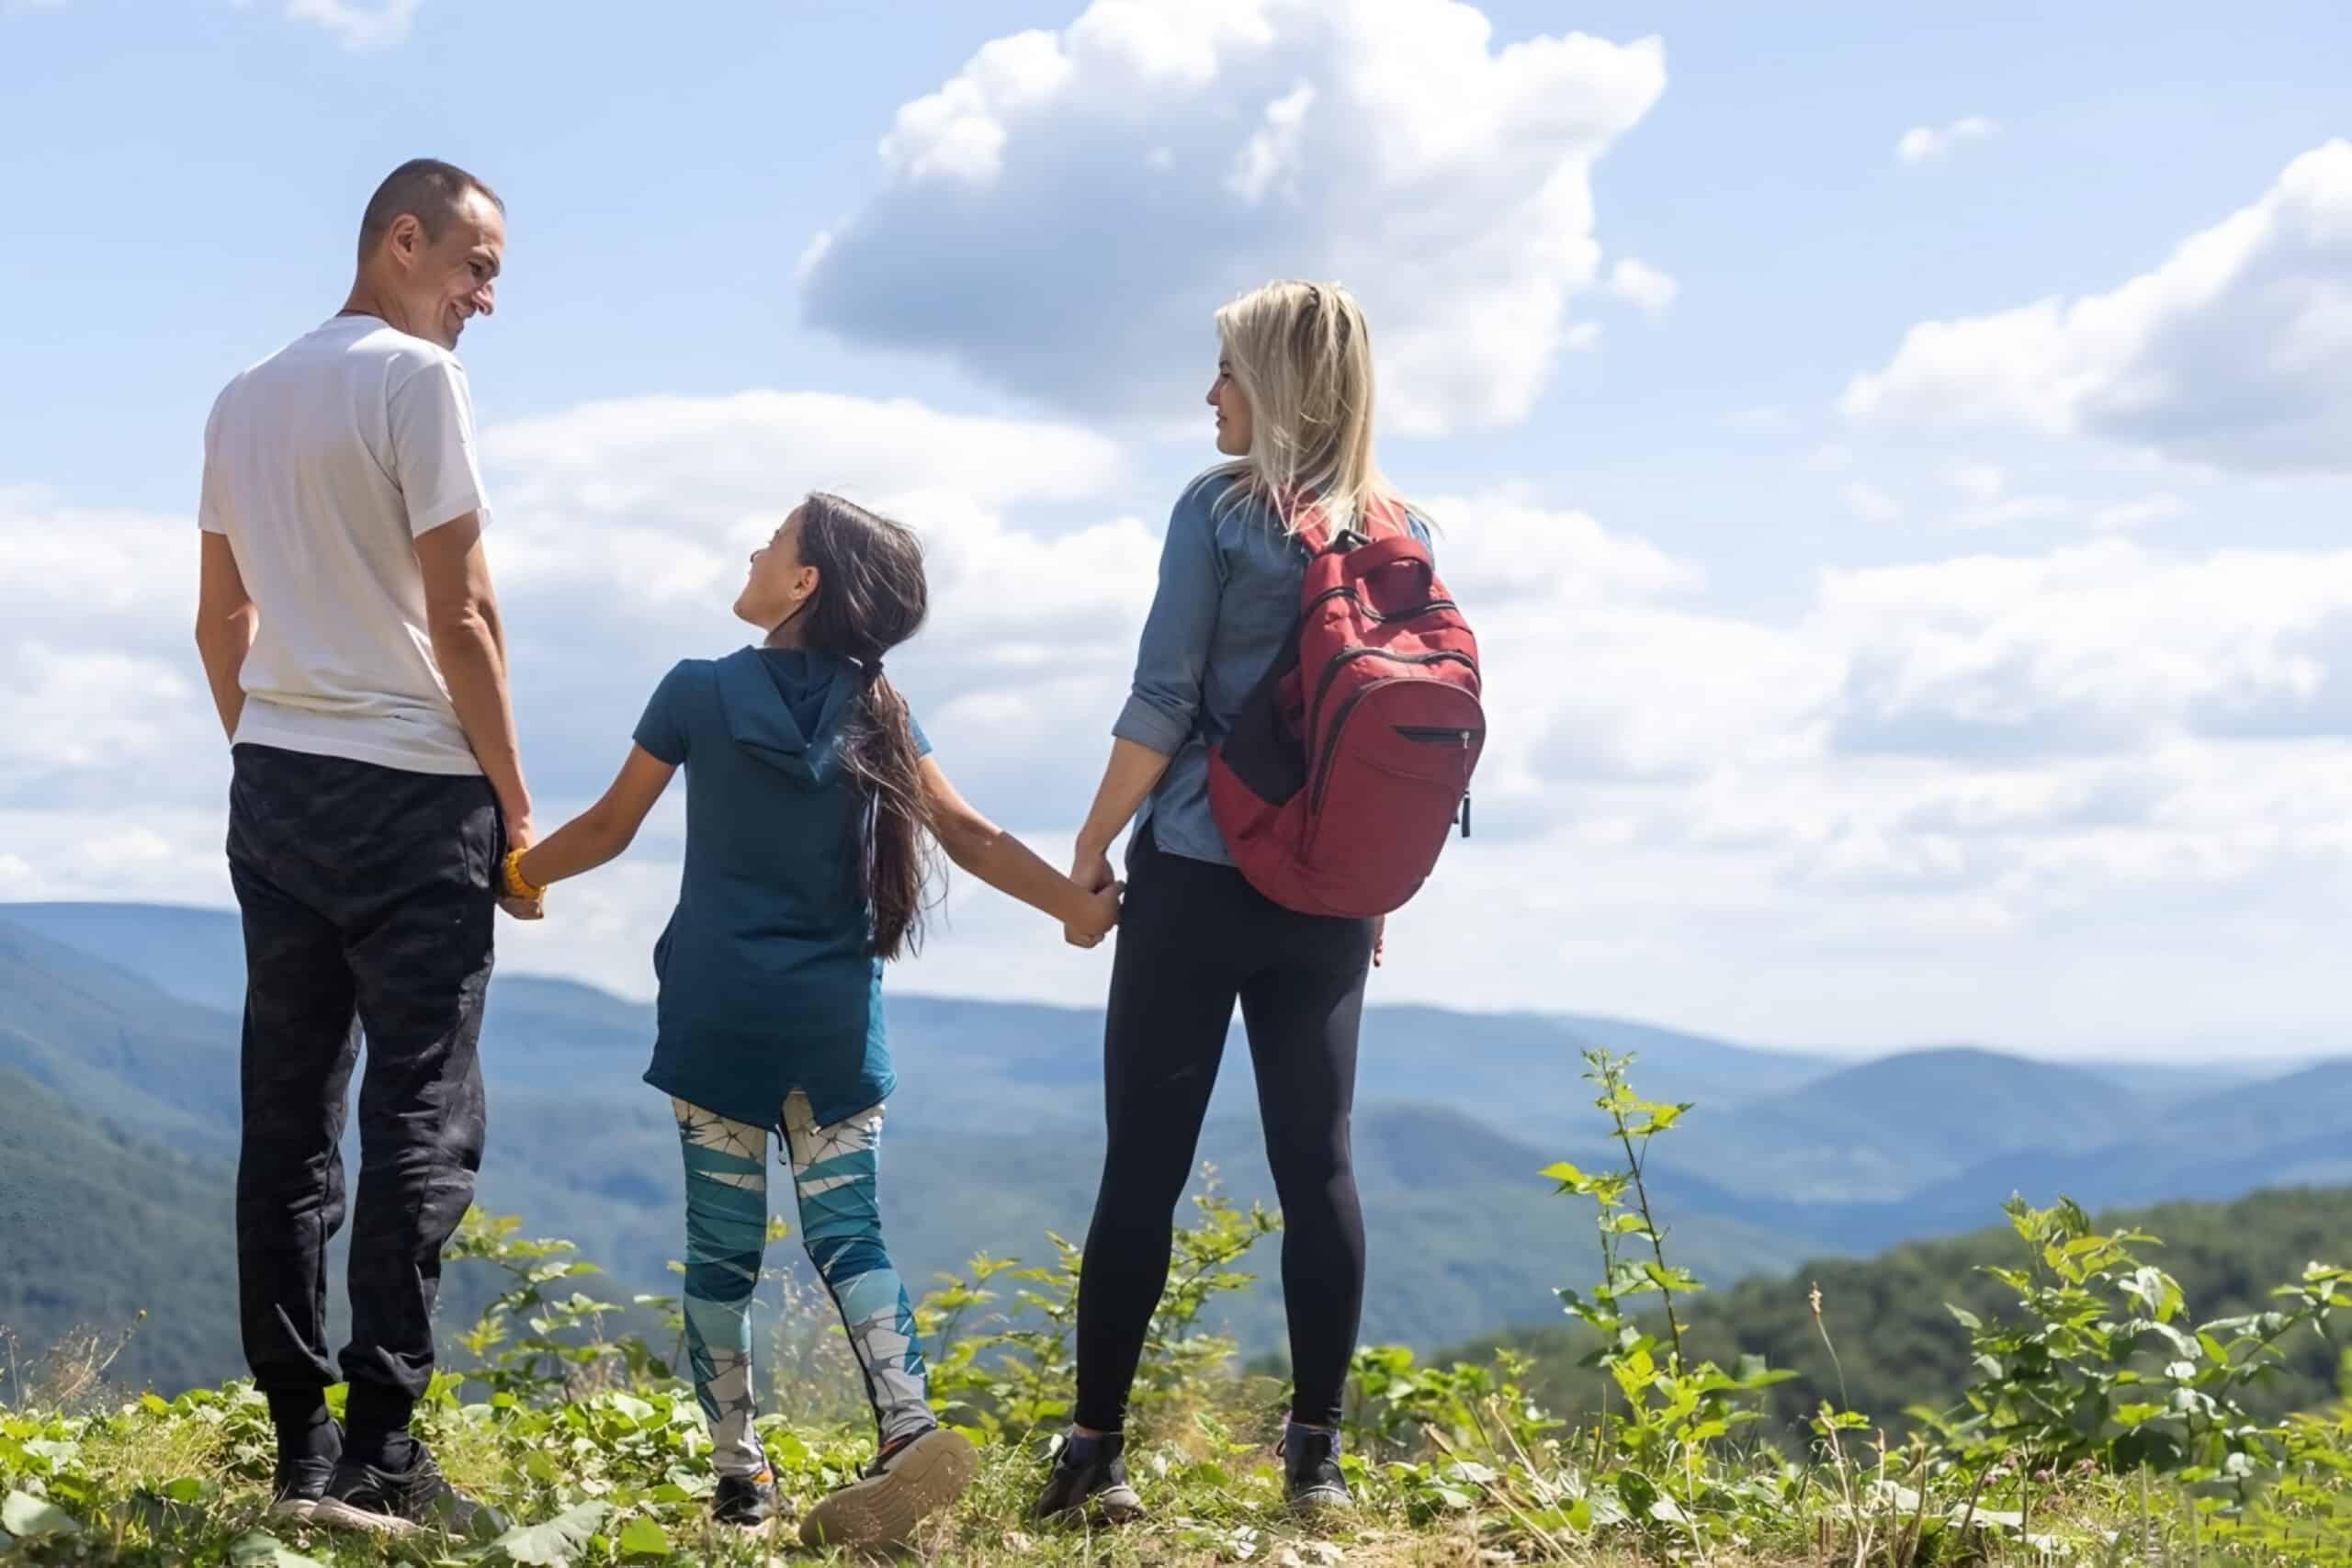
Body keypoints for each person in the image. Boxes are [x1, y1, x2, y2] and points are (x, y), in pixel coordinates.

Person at [511, 492, 1123, 1548]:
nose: (753, 548)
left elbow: (611, 826)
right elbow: (969, 834)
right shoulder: (878, 706)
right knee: (849, 1231)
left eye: (773, 543)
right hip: (835, 1021)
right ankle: (906, 1424)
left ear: (804, 585)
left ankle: (740, 1477)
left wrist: (518, 873)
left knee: (721, 1250)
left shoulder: (698, 690)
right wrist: (1074, 906)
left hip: (716, 1015)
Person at [1035, 281, 1430, 1522]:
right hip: (1327, 897)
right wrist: (1368, 877)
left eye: (1224, 369)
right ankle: (1314, 1460)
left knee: (1142, 1167)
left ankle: (1095, 1453)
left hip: (1200, 875)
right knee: (1319, 1166)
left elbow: (1164, 698)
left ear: (1274, 384)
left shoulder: (1218, 513)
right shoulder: (1397, 524)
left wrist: (1094, 841)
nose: (1209, 393)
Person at [193, 158, 532, 1540]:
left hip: (275, 780)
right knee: (417, 1116)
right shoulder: (416, 380)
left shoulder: (240, 396)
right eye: (477, 263)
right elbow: (463, 616)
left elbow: (222, 620)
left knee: (285, 1117)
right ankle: (387, 1444)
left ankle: (300, 1446)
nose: (487, 298)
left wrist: (262, 744)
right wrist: (515, 808)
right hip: (414, 792)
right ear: (404, 239)